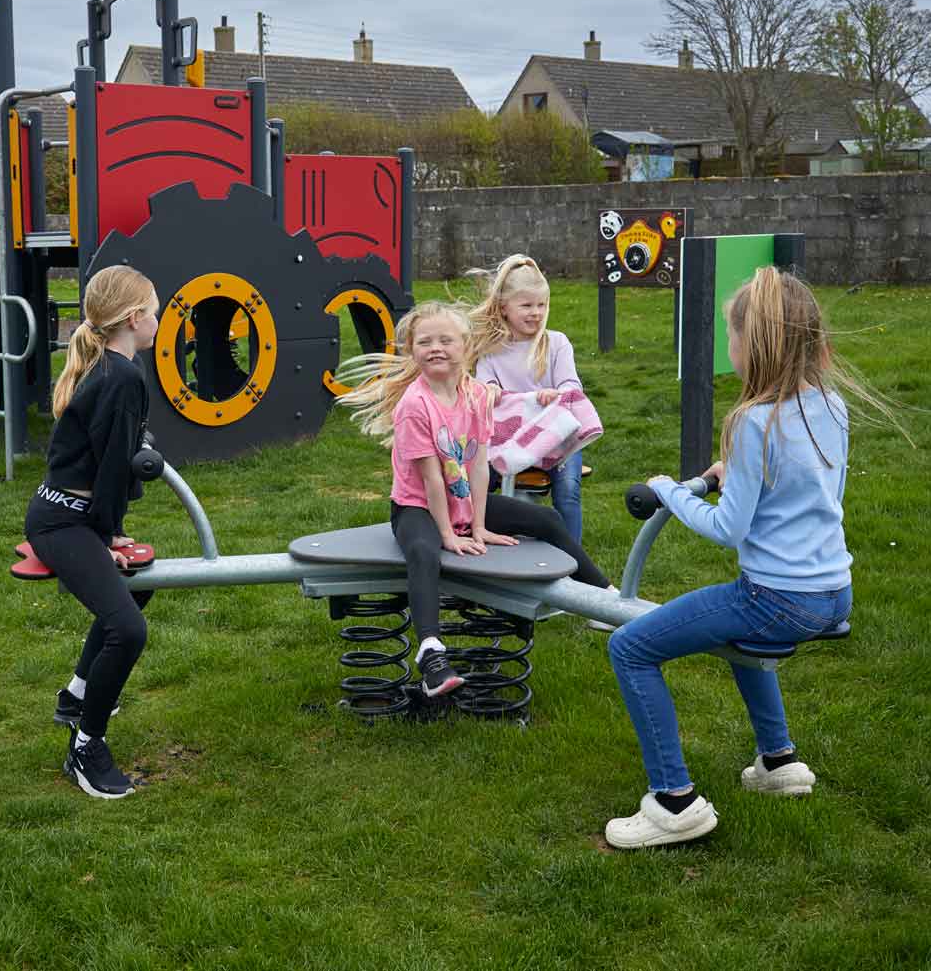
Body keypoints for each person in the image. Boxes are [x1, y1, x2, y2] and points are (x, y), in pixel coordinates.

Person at [603, 267, 901, 849]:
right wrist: (726, 473)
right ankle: (778, 761)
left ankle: (674, 803)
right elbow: (814, 493)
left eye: (731, 338)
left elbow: (726, 527)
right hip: (834, 592)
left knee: (630, 646)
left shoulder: (752, 423)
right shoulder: (831, 407)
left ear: (753, 346)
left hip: (777, 600)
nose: (729, 349)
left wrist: (667, 489)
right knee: (737, 637)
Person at [338, 301, 614, 696]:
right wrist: (449, 534)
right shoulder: (415, 405)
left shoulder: (476, 396)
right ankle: (432, 653)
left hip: (463, 500)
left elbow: (480, 467)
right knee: (423, 550)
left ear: (466, 347)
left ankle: (605, 601)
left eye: (446, 340)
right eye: (425, 341)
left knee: (548, 520)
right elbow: (432, 479)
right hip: (418, 507)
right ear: (412, 350)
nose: (436, 347)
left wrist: (480, 526)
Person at [25, 265, 159, 800]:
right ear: (133, 319)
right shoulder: (121, 375)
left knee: (142, 582)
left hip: (74, 515)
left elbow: (113, 460)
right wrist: (107, 534)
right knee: (128, 630)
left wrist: (111, 530)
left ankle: (77, 694)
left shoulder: (112, 365)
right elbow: (109, 470)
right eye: (153, 310)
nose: (157, 320)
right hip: (60, 520)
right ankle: (86, 746)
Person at [468, 254, 589, 542]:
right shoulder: (491, 350)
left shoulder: (556, 343)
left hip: (555, 436)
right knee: (475, 478)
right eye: (526, 305)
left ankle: (572, 556)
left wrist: (556, 393)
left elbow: (572, 385)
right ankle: (475, 533)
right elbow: (483, 388)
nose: (536, 312)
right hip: (508, 437)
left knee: (568, 490)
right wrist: (491, 391)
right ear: (504, 308)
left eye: (542, 305)